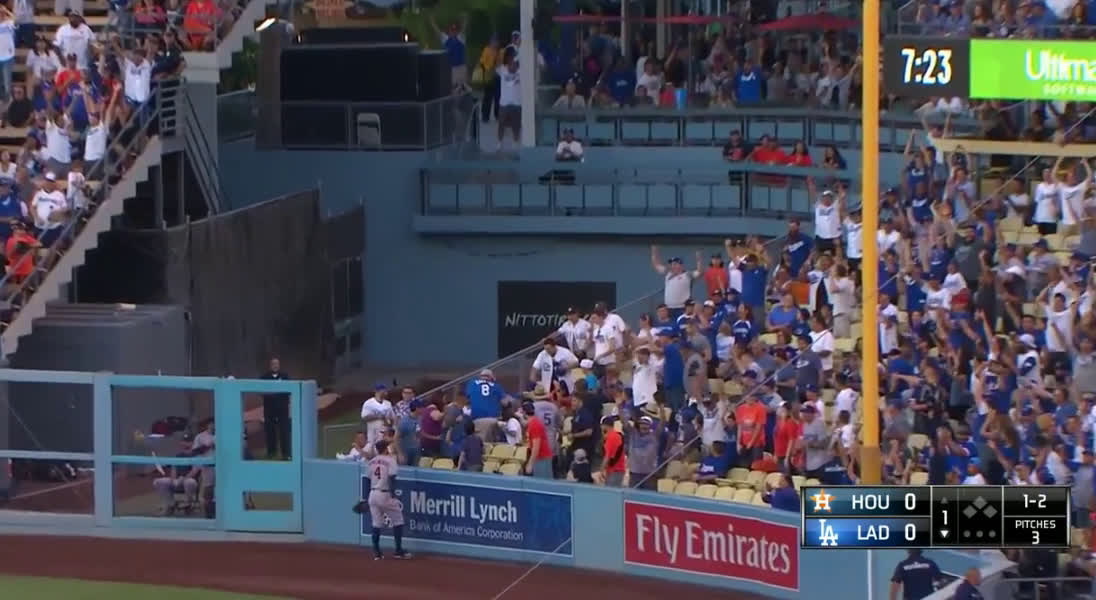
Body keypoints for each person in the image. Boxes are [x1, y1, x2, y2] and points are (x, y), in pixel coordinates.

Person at [354, 439, 411, 561]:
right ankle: (398, 550)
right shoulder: (390, 460)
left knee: (376, 523)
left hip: (372, 494)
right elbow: (392, 478)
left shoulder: (371, 461)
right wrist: (393, 494)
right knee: (398, 520)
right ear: (385, 449)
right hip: (384, 494)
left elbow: (367, 480)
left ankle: (377, 553)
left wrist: (365, 498)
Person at [260, 357, 291, 459]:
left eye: (277, 364)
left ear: (279, 365)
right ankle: (271, 452)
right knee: (270, 430)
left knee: (284, 431)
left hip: (282, 408)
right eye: (273, 364)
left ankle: (286, 453)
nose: (275, 366)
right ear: (270, 365)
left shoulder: (285, 376)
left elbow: (289, 390)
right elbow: (261, 391)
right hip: (269, 409)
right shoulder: (264, 377)